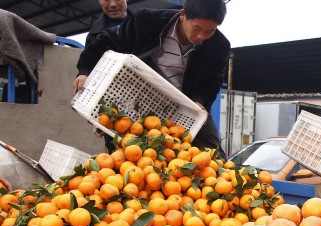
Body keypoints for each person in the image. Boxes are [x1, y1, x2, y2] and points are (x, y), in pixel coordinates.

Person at [73, 0, 231, 159]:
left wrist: (200, 102)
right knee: (125, 150)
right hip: (140, 95)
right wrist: (85, 70)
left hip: (185, 104)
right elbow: (107, 40)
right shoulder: (148, 21)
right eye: (197, 28)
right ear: (183, 15)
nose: (201, 36)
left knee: (214, 156)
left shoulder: (219, 46)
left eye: (209, 31)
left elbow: (212, 81)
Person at [86, 0, 132, 153]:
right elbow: (94, 78)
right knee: (118, 157)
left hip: (146, 101)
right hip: (114, 108)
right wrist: (97, 116)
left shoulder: (142, 25)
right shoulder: (94, 35)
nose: (112, 4)